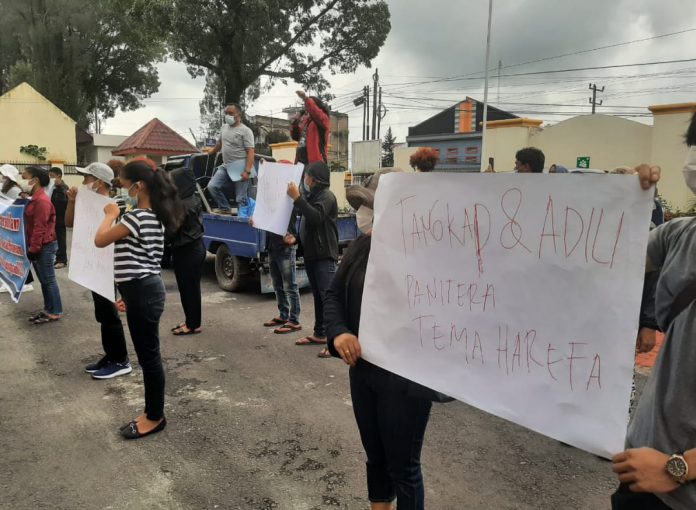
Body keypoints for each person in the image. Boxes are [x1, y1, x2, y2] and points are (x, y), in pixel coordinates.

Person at [324, 168, 437, 509]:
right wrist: (339, 331)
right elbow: (332, 295)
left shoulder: (428, 258)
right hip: (363, 370)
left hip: (405, 379)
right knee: (375, 456)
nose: (365, 216)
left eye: (373, 208)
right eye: (366, 208)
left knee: (403, 465)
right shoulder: (361, 247)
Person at [610, 119, 693, 509]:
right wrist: (623, 200)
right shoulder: (681, 235)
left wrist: (679, 467)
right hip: (639, 467)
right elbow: (605, 257)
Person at [95, 157, 183, 439]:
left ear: (138, 186)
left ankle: (155, 416)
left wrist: (109, 214)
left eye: (122, 184)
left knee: (149, 357)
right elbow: (134, 259)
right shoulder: (152, 214)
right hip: (141, 290)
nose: (121, 190)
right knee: (149, 355)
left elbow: (101, 240)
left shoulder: (135, 217)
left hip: (143, 291)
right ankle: (150, 412)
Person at [65, 162, 132, 379]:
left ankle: (121, 360)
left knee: (110, 314)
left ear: (99, 182)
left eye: (87, 179)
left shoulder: (114, 205)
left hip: (108, 267)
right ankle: (110, 356)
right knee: (102, 314)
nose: (83, 183)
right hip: (93, 264)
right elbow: (68, 223)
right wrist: (73, 202)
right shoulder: (86, 202)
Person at [287, 161, 338, 357]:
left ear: (314, 179)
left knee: (328, 299)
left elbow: (315, 217)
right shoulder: (314, 196)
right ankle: (320, 333)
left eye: (306, 175)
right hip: (312, 254)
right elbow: (310, 225)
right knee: (318, 296)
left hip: (325, 255)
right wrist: (297, 239)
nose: (304, 179)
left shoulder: (326, 196)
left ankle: (333, 342)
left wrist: (298, 198)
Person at [168, 167, 205, 336]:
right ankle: (191, 321)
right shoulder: (192, 197)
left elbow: (172, 231)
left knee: (188, 290)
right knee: (191, 289)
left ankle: (192, 324)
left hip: (187, 251)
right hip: (194, 248)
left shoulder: (182, 204)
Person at [23, 166, 63, 324]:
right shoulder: (35, 198)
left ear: (35, 180)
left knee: (49, 280)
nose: (23, 181)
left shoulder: (42, 201)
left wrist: (33, 249)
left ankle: (56, 311)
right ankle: (48, 309)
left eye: (25, 177)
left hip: (44, 245)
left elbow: (40, 227)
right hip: (39, 245)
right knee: (44, 281)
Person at [255, 211, 302, 335]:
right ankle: (283, 315)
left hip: (285, 247)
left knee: (290, 285)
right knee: (277, 284)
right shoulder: (270, 204)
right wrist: (256, 220)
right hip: (272, 247)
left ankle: (294, 320)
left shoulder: (288, 201)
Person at [207, 103, 255, 214]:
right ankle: (225, 208)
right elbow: (220, 143)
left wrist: (247, 171)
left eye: (230, 113)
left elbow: (251, 152)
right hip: (226, 166)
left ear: (238, 114)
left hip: (240, 168)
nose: (227, 115)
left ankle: (244, 221)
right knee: (212, 186)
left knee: (240, 199)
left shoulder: (246, 131)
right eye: (226, 113)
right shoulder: (224, 128)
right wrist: (212, 151)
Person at [290, 90, 331, 165]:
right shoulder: (306, 121)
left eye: (308, 106)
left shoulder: (323, 120)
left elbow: (315, 111)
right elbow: (295, 137)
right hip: (300, 160)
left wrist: (305, 98)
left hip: (315, 161)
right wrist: (295, 122)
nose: (306, 110)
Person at [48, 167, 69, 268]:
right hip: (52, 217)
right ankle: (57, 258)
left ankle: (62, 260)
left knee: (61, 239)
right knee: (53, 239)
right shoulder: (51, 188)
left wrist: (60, 186)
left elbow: (64, 200)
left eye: (52, 176)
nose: (50, 178)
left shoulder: (63, 187)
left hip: (60, 217)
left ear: (59, 176)